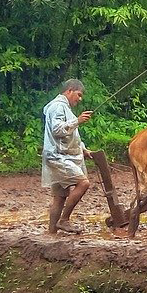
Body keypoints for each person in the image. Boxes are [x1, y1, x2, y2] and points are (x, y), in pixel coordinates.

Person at [42, 79, 93, 234]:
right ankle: (64, 220)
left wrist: (83, 149)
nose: (80, 99)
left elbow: (71, 136)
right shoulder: (58, 107)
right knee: (83, 183)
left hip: (58, 156)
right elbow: (57, 130)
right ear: (69, 91)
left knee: (59, 197)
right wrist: (77, 121)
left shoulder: (64, 108)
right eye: (78, 94)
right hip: (58, 157)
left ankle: (51, 233)